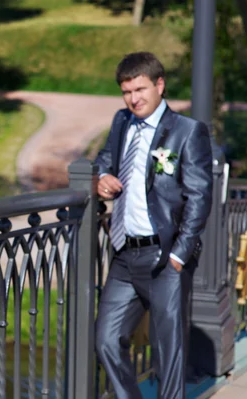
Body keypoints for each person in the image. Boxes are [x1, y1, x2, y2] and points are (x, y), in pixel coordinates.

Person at [94, 52, 213, 399]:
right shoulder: (121, 121)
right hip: (123, 255)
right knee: (106, 341)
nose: (133, 99)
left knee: (168, 353)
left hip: (165, 257)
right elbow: (104, 159)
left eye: (140, 89)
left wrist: (178, 255)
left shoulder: (187, 132)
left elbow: (199, 197)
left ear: (160, 85)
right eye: (127, 91)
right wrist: (102, 176)